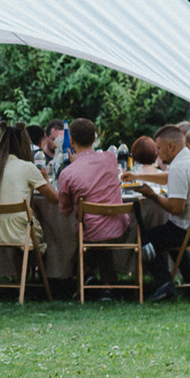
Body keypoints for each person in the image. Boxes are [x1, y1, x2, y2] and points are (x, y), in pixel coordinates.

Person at [127, 123, 190, 300]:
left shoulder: (180, 166)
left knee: (147, 239)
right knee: (171, 229)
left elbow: (176, 209)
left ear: (171, 147)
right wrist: (137, 176)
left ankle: (164, 285)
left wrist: (152, 196)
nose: (157, 153)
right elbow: (169, 177)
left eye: (159, 148)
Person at [57, 118, 129, 279]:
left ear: (72, 140)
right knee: (99, 233)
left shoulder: (68, 173)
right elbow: (91, 163)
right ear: (94, 138)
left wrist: (75, 162)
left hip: (91, 232)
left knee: (78, 230)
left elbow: (65, 210)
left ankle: (83, 274)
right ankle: (101, 281)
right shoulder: (111, 158)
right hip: (120, 226)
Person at [0, 121, 50, 247]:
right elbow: (54, 199)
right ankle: (31, 266)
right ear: (24, 144)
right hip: (20, 234)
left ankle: (19, 266)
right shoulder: (27, 167)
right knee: (45, 231)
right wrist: (45, 179)